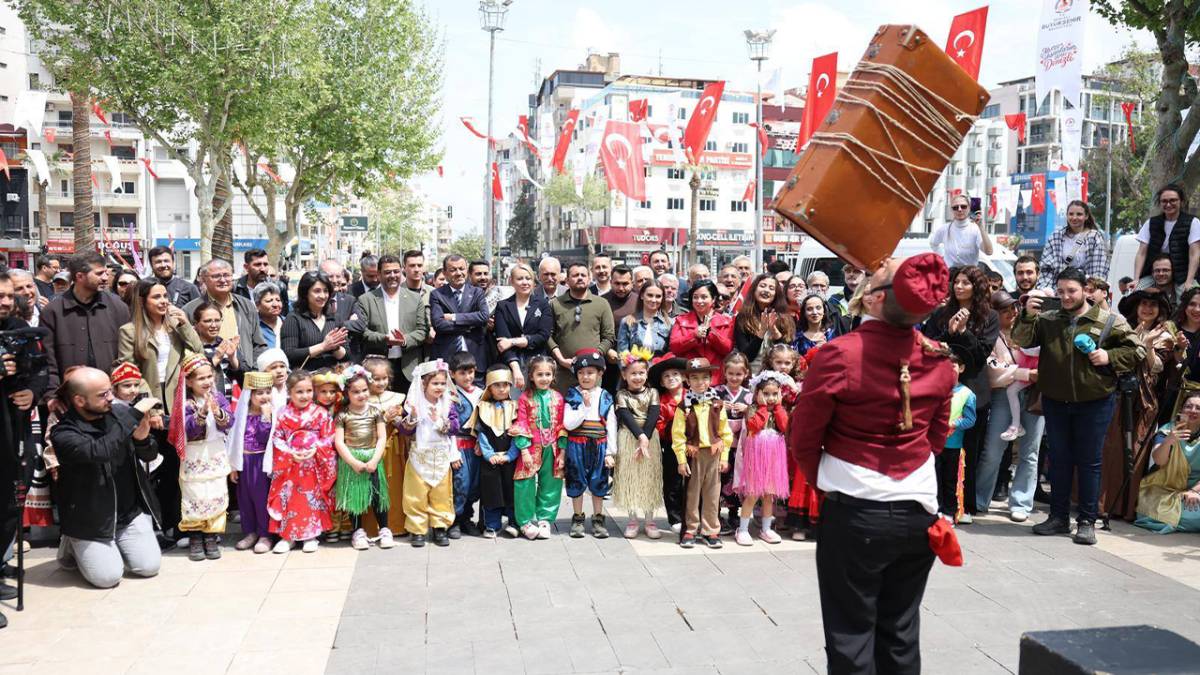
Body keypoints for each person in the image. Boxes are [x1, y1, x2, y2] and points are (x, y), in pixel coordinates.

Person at [791, 253, 961, 675]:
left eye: (876, 275)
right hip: (916, 511)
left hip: (855, 509)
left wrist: (822, 484)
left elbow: (805, 437)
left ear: (873, 301)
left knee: (851, 634)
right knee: (900, 632)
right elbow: (937, 437)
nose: (874, 268)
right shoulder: (938, 358)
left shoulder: (839, 354)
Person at [1014, 267, 1144, 545]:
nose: (1065, 297)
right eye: (1060, 291)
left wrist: (1109, 356)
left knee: (1089, 461)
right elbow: (1022, 340)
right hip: (1056, 401)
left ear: (1086, 290)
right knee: (1059, 460)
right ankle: (1058, 518)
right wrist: (1027, 315)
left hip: (1095, 401)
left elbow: (1137, 350)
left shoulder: (1109, 320)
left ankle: (1087, 521)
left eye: (1071, 290)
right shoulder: (1048, 319)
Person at [52, 367, 162, 589]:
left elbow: (149, 455)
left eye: (110, 391)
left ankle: (113, 546)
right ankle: (72, 545)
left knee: (148, 567)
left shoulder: (118, 414)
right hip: (91, 521)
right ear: (80, 400)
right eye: (102, 395)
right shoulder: (63, 433)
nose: (111, 398)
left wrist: (142, 440)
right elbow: (100, 451)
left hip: (127, 513)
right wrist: (133, 414)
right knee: (108, 578)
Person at [117, 280, 204, 544]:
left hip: (177, 403)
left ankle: (177, 526)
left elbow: (198, 350)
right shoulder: (130, 331)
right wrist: (150, 405)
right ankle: (157, 524)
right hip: (148, 405)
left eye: (165, 296)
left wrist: (185, 325)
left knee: (176, 467)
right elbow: (129, 370)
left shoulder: (174, 327)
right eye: (157, 297)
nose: (164, 301)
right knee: (153, 468)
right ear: (143, 300)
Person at [921, 266, 998, 523]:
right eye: (957, 282)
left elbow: (980, 356)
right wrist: (950, 332)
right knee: (939, 452)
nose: (960, 286)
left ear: (977, 287)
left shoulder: (989, 317)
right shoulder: (941, 313)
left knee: (969, 451)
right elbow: (927, 346)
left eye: (966, 282)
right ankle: (938, 501)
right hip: (940, 390)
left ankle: (964, 505)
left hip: (973, 390)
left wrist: (964, 332)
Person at [1099, 288, 1178, 522]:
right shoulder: (1123, 329)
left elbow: (1157, 368)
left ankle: (1125, 507)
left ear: (1160, 310)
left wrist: (1150, 344)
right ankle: (1101, 504)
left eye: (1153, 305)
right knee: (1110, 448)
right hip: (1116, 395)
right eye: (1144, 303)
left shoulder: (1166, 336)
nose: (1148, 308)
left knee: (1135, 452)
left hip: (1144, 401)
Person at [976, 291, 1046, 522]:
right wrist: (1027, 373)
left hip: (1034, 396)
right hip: (1002, 397)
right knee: (993, 451)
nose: (1012, 313)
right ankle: (979, 498)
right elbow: (994, 368)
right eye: (1005, 310)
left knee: (1030, 452)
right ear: (994, 313)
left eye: (1014, 308)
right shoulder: (990, 336)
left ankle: (1021, 503)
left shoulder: (1032, 331)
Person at [268, 369, 338, 553]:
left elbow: (329, 437)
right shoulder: (282, 413)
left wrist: (316, 448)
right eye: (299, 391)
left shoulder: (321, 413)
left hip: (313, 464)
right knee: (289, 498)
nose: (305, 395)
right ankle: (287, 536)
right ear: (289, 392)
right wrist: (289, 453)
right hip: (289, 464)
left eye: (308, 391)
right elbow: (277, 438)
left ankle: (311, 535)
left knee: (311, 499)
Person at [41, 252, 131, 393]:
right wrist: (52, 395)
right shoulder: (53, 311)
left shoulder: (118, 307)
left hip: (111, 396)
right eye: (99, 273)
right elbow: (48, 361)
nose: (106, 278)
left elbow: (128, 355)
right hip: (69, 398)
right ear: (80, 276)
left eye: (106, 273)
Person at [177, 353, 234, 561]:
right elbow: (187, 431)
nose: (208, 381)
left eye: (210, 376)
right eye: (201, 378)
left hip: (215, 451)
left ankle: (211, 536)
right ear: (189, 381)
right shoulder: (185, 403)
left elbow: (230, 422)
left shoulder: (218, 397)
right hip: (195, 455)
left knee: (216, 492)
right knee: (195, 495)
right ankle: (195, 537)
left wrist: (217, 412)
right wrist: (201, 413)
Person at [672, 357, 733, 549]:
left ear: (711, 379)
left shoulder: (717, 404)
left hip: (714, 454)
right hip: (694, 455)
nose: (700, 382)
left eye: (705, 378)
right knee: (692, 493)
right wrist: (681, 460)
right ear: (687, 381)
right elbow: (678, 435)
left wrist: (724, 457)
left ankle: (711, 530)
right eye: (695, 378)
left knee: (713, 493)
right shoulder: (684, 407)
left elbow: (725, 432)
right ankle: (690, 529)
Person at [399, 359, 461, 548]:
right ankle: (417, 529)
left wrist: (440, 421)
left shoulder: (448, 403)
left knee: (441, 493)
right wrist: (412, 419)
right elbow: (405, 430)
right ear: (423, 383)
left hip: (441, 455)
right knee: (416, 493)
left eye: (443, 383)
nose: (440, 387)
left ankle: (440, 527)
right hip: (420, 455)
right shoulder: (414, 404)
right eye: (435, 383)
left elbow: (455, 427)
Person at [732, 370, 797, 546]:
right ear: (757, 393)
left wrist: (777, 407)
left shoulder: (780, 409)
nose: (770, 397)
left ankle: (766, 528)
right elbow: (755, 425)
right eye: (766, 393)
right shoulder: (752, 408)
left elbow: (784, 427)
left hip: (774, 453)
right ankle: (743, 529)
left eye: (774, 394)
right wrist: (762, 407)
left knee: (769, 494)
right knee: (753, 493)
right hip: (757, 454)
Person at [334, 365, 393, 550]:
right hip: (352, 460)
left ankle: (384, 528)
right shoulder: (343, 415)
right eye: (356, 392)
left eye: (365, 390)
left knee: (378, 495)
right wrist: (352, 462)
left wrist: (375, 460)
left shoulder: (375, 412)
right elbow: (339, 442)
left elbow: (382, 437)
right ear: (347, 393)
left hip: (373, 458)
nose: (362, 395)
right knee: (355, 497)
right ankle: (358, 531)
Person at [356, 252, 430, 394]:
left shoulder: (415, 299)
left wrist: (404, 340)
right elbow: (362, 332)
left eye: (396, 271)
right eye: (387, 272)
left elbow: (422, 330)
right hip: (378, 369)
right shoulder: (366, 300)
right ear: (379, 274)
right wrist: (385, 339)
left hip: (408, 367)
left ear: (401, 271)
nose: (392, 275)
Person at [562, 349, 617, 538]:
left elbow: (611, 425)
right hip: (576, 444)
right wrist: (584, 408)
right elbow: (568, 423)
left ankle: (598, 518)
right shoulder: (572, 395)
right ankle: (577, 517)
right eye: (581, 373)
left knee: (599, 480)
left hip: (600, 444)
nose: (585, 377)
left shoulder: (605, 396)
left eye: (590, 373)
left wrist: (610, 452)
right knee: (576, 479)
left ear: (600, 374)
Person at [510, 355, 566, 540]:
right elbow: (521, 423)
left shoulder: (558, 398)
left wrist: (562, 451)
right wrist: (524, 449)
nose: (544, 378)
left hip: (552, 447)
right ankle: (525, 522)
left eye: (548, 374)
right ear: (531, 376)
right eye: (539, 374)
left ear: (553, 376)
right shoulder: (525, 398)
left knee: (551, 482)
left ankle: (545, 519)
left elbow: (561, 426)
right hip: (531, 447)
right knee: (524, 482)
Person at [182, 259, 267, 378]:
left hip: (242, 376)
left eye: (227, 275)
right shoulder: (190, 310)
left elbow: (259, 344)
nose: (223, 280)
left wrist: (253, 371)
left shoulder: (246, 306)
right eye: (216, 276)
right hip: (207, 378)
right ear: (204, 279)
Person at [612, 347, 663, 540]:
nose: (637, 377)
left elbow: (653, 415)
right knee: (631, 478)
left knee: (649, 478)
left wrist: (645, 437)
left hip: (650, 439)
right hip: (628, 438)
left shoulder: (653, 392)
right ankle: (633, 520)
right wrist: (640, 437)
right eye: (633, 373)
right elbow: (626, 417)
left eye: (641, 372)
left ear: (647, 373)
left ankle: (650, 520)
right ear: (624, 374)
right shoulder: (621, 395)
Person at [1134, 391, 1200, 533]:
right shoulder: (1167, 430)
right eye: (1189, 406)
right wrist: (1169, 441)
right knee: (1153, 510)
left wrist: (1194, 491)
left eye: (1198, 408)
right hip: (1162, 490)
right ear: (1181, 410)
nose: (1193, 411)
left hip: (1193, 493)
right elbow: (1159, 460)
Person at [226, 371, 277, 554]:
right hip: (244, 462)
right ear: (250, 395)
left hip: (261, 461)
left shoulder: (271, 413)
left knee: (261, 499)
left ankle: (265, 534)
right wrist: (233, 465)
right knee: (245, 499)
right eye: (259, 393)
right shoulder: (242, 414)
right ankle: (250, 532)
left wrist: (265, 417)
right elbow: (233, 439)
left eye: (267, 392)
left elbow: (266, 437)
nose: (264, 396)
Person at [466, 365, 519, 538]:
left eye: (505, 384)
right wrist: (489, 455)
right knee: (491, 493)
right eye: (497, 385)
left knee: (511, 492)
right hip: (490, 461)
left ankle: (513, 522)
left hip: (511, 459)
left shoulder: (516, 407)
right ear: (489, 387)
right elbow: (482, 434)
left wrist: (511, 454)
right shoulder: (483, 407)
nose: (502, 388)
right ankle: (492, 525)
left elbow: (520, 434)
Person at [547, 262, 616, 391]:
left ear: (589, 279)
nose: (580, 278)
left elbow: (609, 336)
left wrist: (593, 357)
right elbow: (548, 335)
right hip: (563, 372)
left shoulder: (601, 303)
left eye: (583, 275)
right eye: (575, 275)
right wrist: (561, 359)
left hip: (592, 372)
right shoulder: (555, 304)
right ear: (567, 280)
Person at [493, 263, 553, 390]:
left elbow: (543, 336)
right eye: (520, 279)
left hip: (538, 365)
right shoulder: (503, 306)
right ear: (512, 281)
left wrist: (513, 341)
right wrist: (515, 369)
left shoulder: (543, 304)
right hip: (511, 364)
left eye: (528, 278)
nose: (524, 282)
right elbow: (502, 342)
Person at [1133, 184, 1200, 293]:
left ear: (1181, 202)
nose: (1168, 204)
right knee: (1135, 292)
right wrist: (1136, 279)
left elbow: (1194, 254)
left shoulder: (1193, 222)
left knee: (1191, 297)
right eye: (1164, 201)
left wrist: (1189, 281)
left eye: (1173, 200)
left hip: (1183, 274)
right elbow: (1141, 252)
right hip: (1155, 273)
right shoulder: (1151, 223)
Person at [429, 255, 490, 375]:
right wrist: (471, 324)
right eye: (453, 270)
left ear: (466, 270)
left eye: (462, 269)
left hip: (475, 356)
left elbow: (483, 317)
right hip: (447, 358)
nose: (458, 273)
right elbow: (439, 324)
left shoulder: (477, 292)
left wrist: (454, 317)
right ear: (445, 273)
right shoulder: (437, 295)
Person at [937, 347, 978, 523]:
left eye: (953, 366)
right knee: (935, 479)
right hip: (934, 445)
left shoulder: (967, 394)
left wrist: (953, 424)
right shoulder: (936, 390)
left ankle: (949, 512)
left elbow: (970, 420)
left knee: (950, 480)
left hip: (953, 446)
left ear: (961, 369)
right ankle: (935, 511)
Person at [280, 271, 348, 371]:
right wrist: (323, 347)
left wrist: (335, 348)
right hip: (305, 379)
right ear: (305, 293)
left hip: (333, 378)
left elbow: (347, 355)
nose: (323, 295)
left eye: (325, 291)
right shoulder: (294, 318)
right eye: (317, 291)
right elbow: (289, 354)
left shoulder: (335, 318)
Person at [669, 280, 734, 385]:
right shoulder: (681, 320)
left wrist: (711, 333)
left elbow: (727, 348)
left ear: (713, 299)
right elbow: (674, 347)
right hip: (689, 379)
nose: (699, 301)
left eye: (704, 297)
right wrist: (694, 336)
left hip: (716, 379)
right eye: (695, 297)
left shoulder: (726, 321)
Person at [1037, 201, 1110, 290]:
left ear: (1086, 216)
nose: (1074, 218)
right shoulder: (1055, 236)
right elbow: (1046, 268)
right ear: (1067, 216)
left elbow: (1099, 269)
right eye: (1071, 214)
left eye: (1079, 214)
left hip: (1086, 289)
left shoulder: (1094, 237)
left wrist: (1089, 290)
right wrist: (1046, 290)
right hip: (1059, 289)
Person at [448, 352, 482, 538]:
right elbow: (449, 428)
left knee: (474, 484)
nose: (468, 377)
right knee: (460, 482)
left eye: (470, 372)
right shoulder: (450, 395)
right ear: (452, 374)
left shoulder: (480, 392)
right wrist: (453, 453)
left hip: (475, 445)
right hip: (458, 445)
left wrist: (482, 443)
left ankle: (467, 517)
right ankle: (454, 520)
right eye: (462, 373)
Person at [193, 302, 242, 402]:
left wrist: (232, 358)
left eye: (217, 320)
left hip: (232, 404)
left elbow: (243, 378)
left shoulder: (226, 345)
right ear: (196, 324)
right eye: (208, 321)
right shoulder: (193, 349)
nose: (214, 325)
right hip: (206, 405)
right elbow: (195, 378)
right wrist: (215, 359)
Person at [931, 193, 994, 267]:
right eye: (955, 207)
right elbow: (933, 243)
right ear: (951, 210)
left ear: (969, 208)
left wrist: (981, 227)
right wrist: (942, 257)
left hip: (970, 275)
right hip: (951, 275)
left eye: (963, 206)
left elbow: (989, 252)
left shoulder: (975, 229)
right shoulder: (944, 229)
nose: (959, 209)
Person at [617, 279, 674, 357]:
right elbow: (622, 353)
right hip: (634, 368)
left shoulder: (670, 323)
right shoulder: (627, 321)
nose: (654, 300)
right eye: (650, 295)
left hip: (660, 367)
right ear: (642, 296)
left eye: (658, 296)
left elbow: (671, 354)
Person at [235, 248, 289, 317]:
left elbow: (284, 316)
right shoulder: (235, 288)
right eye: (258, 264)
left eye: (265, 264)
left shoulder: (279, 287)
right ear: (246, 267)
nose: (262, 269)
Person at [318, 259, 359, 325]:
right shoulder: (315, 300)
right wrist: (348, 323)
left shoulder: (350, 301)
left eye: (338, 276)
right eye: (330, 276)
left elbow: (360, 325)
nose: (334, 280)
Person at [253, 282, 285, 349]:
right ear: (257, 305)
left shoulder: (288, 322)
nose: (276, 304)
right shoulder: (252, 326)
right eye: (269, 301)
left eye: (278, 300)